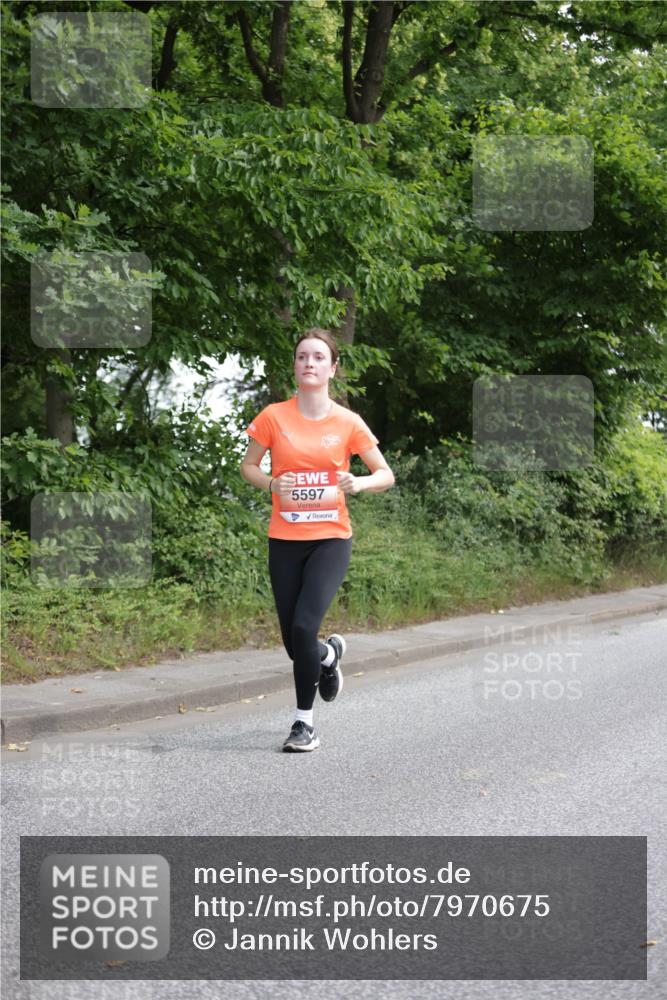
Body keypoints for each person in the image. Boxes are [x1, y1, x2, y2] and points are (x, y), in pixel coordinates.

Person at [240, 327, 395, 752]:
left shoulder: (347, 422)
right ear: (295, 365)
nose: (309, 363)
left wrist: (357, 484)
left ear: (332, 368)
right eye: (302, 356)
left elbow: (386, 474)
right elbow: (248, 466)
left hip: (330, 538)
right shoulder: (274, 416)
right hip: (284, 539)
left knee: (306, 625)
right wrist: (272, 484)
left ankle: (303, 724)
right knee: (296, 644)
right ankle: (328, 658)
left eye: (318, 357)